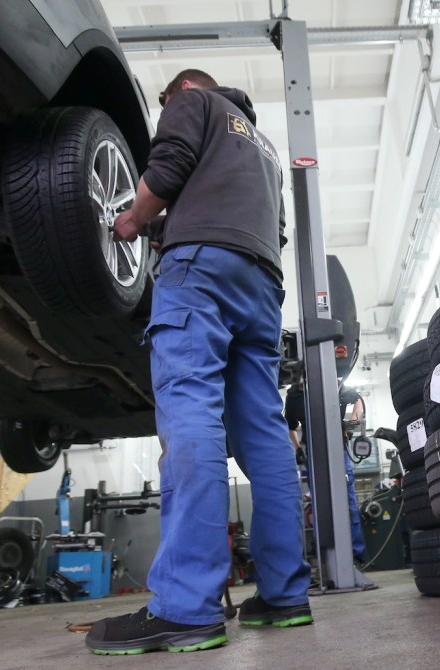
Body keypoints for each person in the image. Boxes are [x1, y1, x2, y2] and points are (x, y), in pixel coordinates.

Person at [85, 69, 312, 656]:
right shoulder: (260, 147)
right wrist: (174, 225)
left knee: (191, 417)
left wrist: (134, 221)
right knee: (263, 436)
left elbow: (167, 167)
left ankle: (185, 609)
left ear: (180, 91)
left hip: (202, 276)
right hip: (261, 284)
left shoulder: (191, 103)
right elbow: (272, 229)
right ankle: (285, 596)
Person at [284, 376, 366, 562]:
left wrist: (353, 420)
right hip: (314, 449)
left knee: (348, 498)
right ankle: (326, 554)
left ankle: (356, 554)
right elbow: (290, 426)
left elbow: (358, 400)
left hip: (338, 444)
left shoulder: (333, 384)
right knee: (320, 501)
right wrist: (297, 448)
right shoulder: (294, 396)